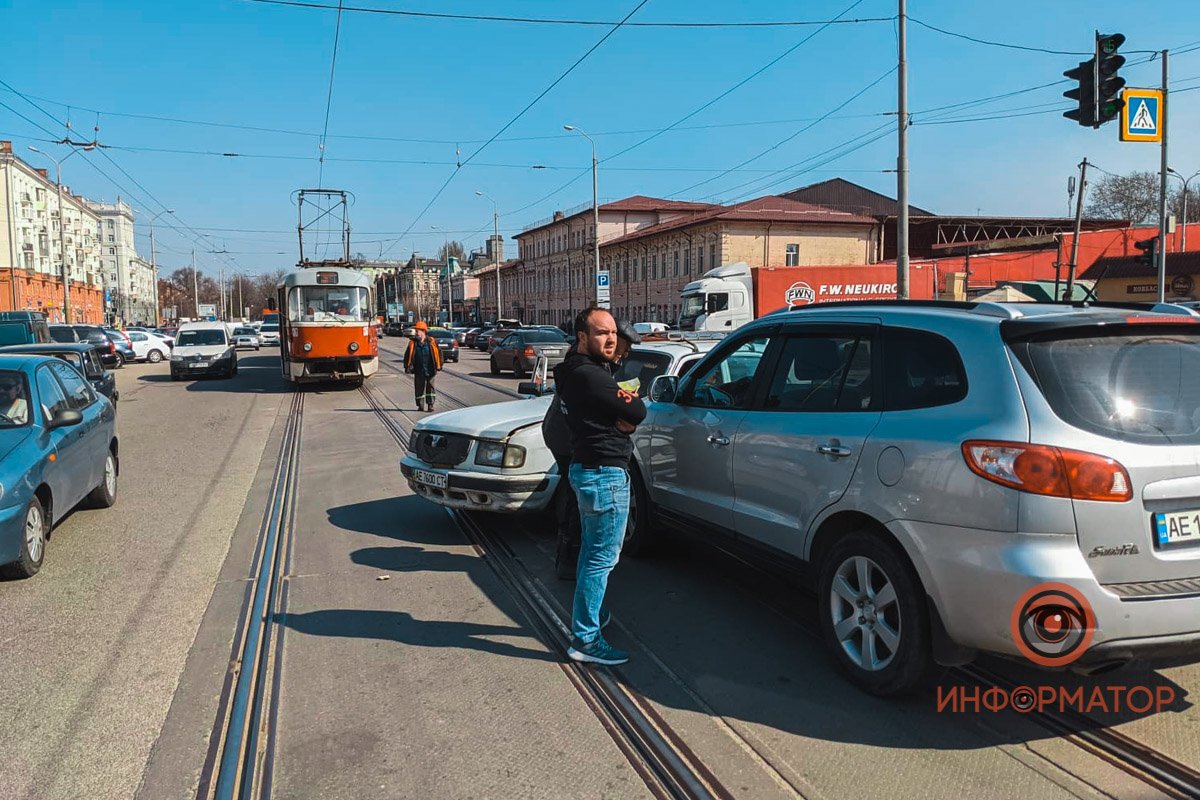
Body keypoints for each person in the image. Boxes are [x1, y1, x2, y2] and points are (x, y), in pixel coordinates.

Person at [554, 306, 646, 666]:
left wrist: (617, 413)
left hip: (590, 468)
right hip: (604, 473)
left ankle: (590, 617)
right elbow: (637, 410)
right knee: (600, 559)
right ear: (582, 337)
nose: (610, 339)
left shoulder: (574, 370)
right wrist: (625, 413)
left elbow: (619, 408)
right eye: (600, 333)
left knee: (592, 554)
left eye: (612, 333)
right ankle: (586, 639)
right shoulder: (591, 377)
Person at [542, 318, 641, 581]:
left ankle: (571, 555)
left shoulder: (593, 361)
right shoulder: (589, 365)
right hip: (568, 438)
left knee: (576, 498)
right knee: (576, 501)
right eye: (623, 346)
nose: (624, 353)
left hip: (568, 435)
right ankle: (570, 559)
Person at [404, 320, 443, 412]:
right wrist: (407, 367)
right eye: (416, 330)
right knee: (419, 388)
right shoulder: (413, 343)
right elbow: (407, 355)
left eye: (418, 330)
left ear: (423, 331)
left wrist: (439, 364)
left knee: (431, 387)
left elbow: (439, 353)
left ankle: (430, 405)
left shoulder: (431, 342)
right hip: (419, 370)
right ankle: (420, 406)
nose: (416, 332)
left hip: (430, 369)